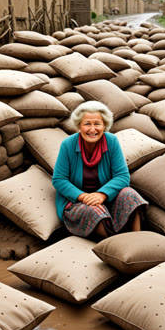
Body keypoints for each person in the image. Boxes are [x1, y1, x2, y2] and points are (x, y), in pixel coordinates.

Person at [52, 101, 148, 238]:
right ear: (79, 125)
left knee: (130, 194)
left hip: (107, 200)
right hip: (78, 203)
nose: (92, 129)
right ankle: (114, 246)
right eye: (87, 124)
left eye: (97, 124)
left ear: (104, 125)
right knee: (94, 211)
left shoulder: (112, 141)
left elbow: (122, 176)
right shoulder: (68, 144)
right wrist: (83, 196)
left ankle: (138, 241)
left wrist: (102, 195)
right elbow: (59, 179)